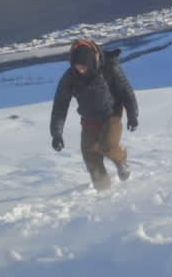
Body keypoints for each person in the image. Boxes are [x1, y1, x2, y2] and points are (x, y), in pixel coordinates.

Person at [49, 38, 139, 190]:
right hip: (89, 119)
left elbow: (126, 92)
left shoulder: (109, 67)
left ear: (91, 62)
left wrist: (132, 115)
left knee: (108, 146)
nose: (80, 70)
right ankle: (103, 191)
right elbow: (59, 106)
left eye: (83, 67)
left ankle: (121, 160)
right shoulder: (70, 77)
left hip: (112, 114)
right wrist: (56, 134)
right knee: (90, 157)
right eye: (77, 67)